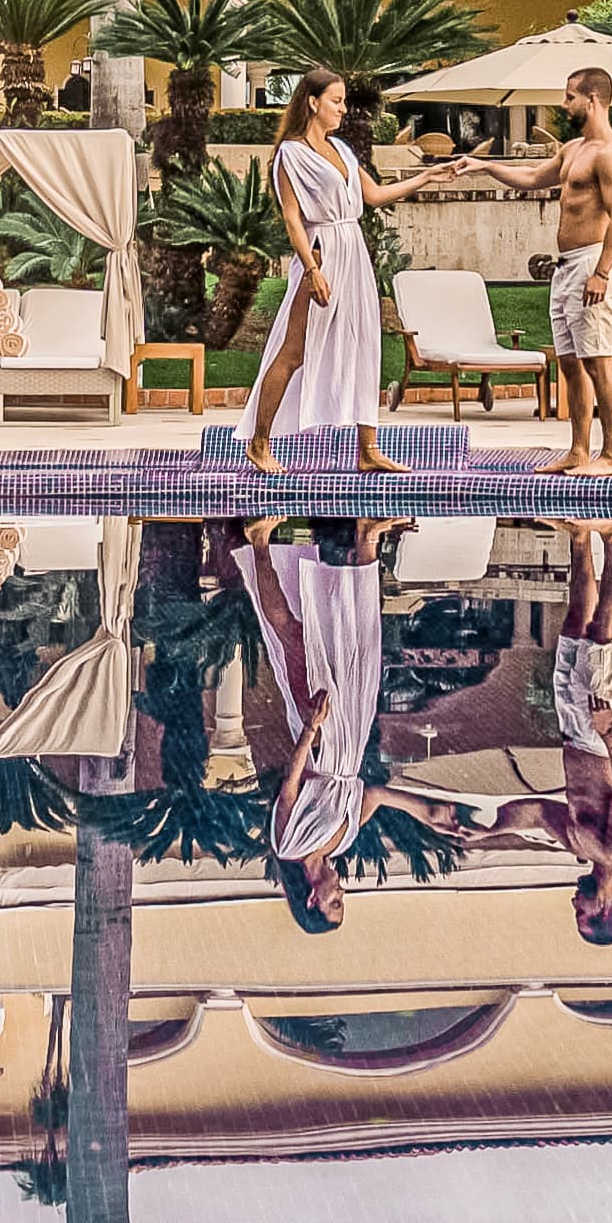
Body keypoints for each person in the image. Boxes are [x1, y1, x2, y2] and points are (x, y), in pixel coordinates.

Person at [241, 65, 411, 478]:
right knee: (294, 349)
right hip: (322, 252)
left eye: (344, 101)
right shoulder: (291, 153)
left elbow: (373, 195)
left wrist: (427, 177)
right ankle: (258, 443)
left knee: (365, 342)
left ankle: (367, 449)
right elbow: (292, 218)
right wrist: (313, 269)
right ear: (312, 103)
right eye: (336, 101)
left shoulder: (344, 150)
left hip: (354, 251)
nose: (343, 108)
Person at [469, 65, 612, 477]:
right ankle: (579, 450)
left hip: (590, 266)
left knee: (599, 362)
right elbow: (530, 178)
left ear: (592, 100)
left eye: (569, 97)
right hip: (564, 270)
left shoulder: (609, 154)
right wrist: (483, 166)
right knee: (570, 364)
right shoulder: (573, 149)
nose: (564, 105)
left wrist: (601, 272)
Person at [243, 515, 396, 931]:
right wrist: (438, 814)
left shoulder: (289, 845)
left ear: (313, 899)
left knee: (292, 636)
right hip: (351, 738)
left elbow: (290, 785)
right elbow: (377, 796)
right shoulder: (342, 842)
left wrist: (311, 727)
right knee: (361, 645)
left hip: (322, 739)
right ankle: (367, 540)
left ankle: (259, 542)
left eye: (335, 904)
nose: (341, 894)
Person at [546, 522, 612, 944]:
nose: (573, 905)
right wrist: (608, 736)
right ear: (606, 909)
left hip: (572, 730)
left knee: (574, 625)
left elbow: (539, 814)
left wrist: (488, 831)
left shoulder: (585, 853)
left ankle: (579, 537)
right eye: (581, 914)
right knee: (604, 632)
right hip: (597, 737)